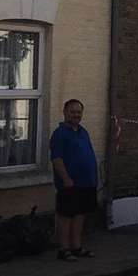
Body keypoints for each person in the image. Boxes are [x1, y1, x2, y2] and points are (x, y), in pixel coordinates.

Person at [50, 99, 98, 261]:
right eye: (72, 112)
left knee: (79, 214)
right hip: (70, 183)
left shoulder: (83, 132)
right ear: (65, 112)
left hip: (86, 182)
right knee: (66, 216)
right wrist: (66, 178)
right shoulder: (60, 133)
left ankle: (76, 247)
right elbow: (57, 159)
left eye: (79, 112)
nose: (76, 115)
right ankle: (63, 249)